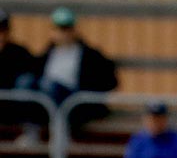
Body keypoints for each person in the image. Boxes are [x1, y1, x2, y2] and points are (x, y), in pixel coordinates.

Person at [33, 8, 117, 134]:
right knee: (28, 83)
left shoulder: (90, 55)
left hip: (75, 101)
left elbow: (110, 81)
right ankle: (32, 129)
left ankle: (60, 131)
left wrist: (88, 90)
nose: (63, 33)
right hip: (47, 100)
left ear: (74, 30)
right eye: (58, 28)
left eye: (66, 28)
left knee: (50, 85)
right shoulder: (47, 54)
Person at [0, 10, 42, 138]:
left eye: (2, 30)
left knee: (26, 81)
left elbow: (37, 75)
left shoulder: (20, 53)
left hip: (13, 112)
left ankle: (29, 130)